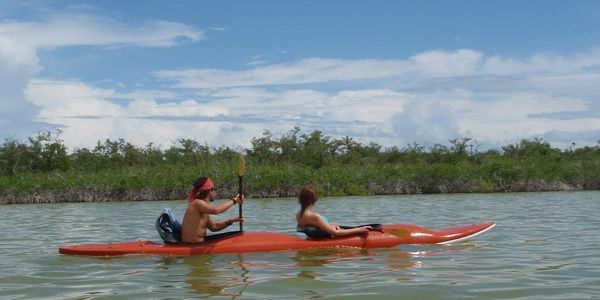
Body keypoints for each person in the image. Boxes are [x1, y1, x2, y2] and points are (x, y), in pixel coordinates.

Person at [181, 176, 244, 243]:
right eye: (214, 189)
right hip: (191, 246)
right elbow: (216, 210)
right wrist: (234, 200)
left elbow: (214, 227)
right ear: (209, 191)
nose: (214, 192)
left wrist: (230, 221)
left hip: (199, 244)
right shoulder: (197, 203)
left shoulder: (203, 207)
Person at [296, 185, 371, 238]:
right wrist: (359, 230)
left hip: (312, 238)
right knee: (358, 228)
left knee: (337, 226)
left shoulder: (298, 215)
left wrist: (331, 226)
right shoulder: (314, 216)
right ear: (313, 200)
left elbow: (316, 227)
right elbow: (335, 233)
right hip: (327, 238)